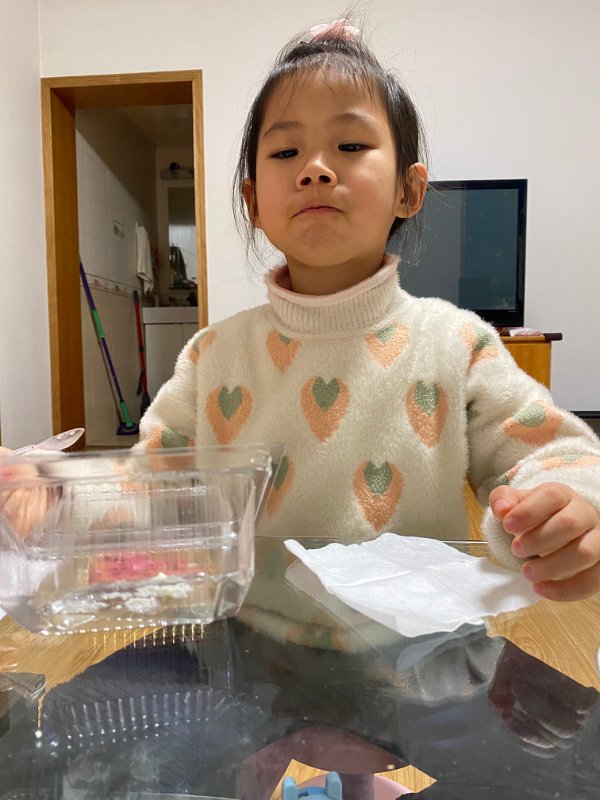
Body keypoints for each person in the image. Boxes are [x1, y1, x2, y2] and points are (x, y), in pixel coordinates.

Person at [116, 21, 598, 600]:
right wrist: (68, 505)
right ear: (253, 201)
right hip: (253, 644)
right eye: (286, 151)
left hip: (425, 646)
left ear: (409, 190)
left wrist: (564, 505)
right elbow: (149, 491)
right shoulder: (212, 356)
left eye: (350, 146)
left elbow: (555, 453)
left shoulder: (457, 343)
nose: (315, 169)